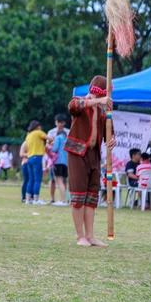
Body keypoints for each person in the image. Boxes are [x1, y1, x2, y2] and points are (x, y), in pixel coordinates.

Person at [65, 75, 115, 247]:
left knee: (92, 196)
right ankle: (80, 236)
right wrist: (98, 101)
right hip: (77, 152)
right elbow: (73, 106)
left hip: (94, 155)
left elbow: (110, 131)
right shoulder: (79, 102)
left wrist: (112, 139)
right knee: (78, 194)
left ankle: (90, 236)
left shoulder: (103, 111)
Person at [25, 120, 53, 205]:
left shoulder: (29, 135)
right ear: (38, 126)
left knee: (31, 179)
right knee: (37, 179)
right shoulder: (38, 132)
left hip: (29, 158)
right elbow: (50, 138)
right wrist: (50, 142)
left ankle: (28, 199)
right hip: (37, 157)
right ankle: (36, 199)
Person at [47, 114, 69, 203]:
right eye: (58, 122)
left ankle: (63, 200)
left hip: (57, 161)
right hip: (64, 161)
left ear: (64, 123)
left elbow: (53, 148)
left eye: (62, 122)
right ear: (55, 122)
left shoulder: (66, 133)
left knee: (61, 181)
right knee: (54, 180)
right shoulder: (51, 132)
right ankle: (55, 199)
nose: (60, 124)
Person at [51, 129, 68, 206]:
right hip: (66, 163)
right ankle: (63, 199)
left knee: (59, 181)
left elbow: (55, 149)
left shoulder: (58, 138)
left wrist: (50, 146)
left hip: (58, 162)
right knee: (64, 182)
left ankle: (63, 200)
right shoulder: (67, 139)